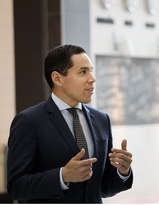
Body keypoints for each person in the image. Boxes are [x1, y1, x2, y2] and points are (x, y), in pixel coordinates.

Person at [7, 44, 133, 203]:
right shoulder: (28, 122)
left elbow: (102, 187)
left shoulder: (102, 120)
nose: (92, 79)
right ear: (57, 78)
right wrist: (62, 176)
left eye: (91, 71)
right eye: (83, 72)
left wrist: (122, 171)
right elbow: (16, 187)